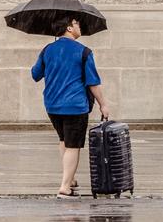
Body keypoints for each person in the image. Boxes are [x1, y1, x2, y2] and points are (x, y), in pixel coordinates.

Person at [31, 17, 111, 199]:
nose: (79, 26)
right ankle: (65, 187)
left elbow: (35, 74)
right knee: (73, 145)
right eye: (77, 24)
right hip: (75, 106)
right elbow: (93, 83)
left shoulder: (47, 50)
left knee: (64, 140)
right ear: (68, 28)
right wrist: (103, 104)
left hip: (52, 105)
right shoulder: (84, 51)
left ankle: (71, 178)